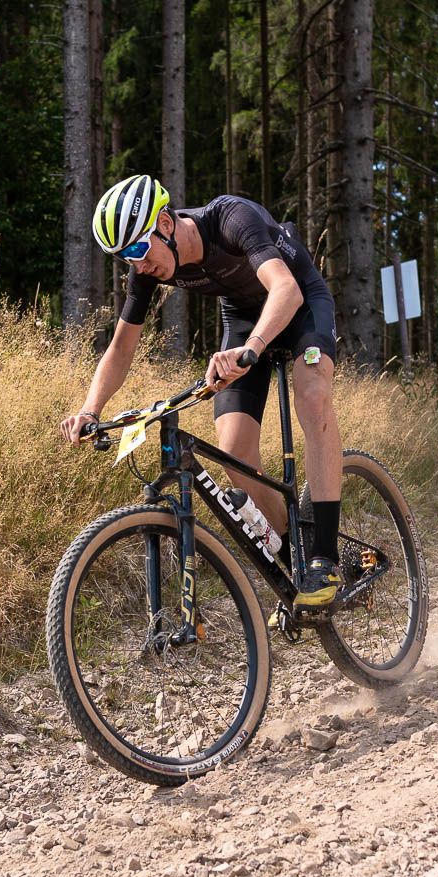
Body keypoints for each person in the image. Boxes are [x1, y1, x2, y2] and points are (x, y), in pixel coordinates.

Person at [59, 175, 346, 607]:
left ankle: (325, 557)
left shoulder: (230, 219)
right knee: (234, 449)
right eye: (125, 258)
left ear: (165, 224)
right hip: (245, 319)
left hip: (301, 302)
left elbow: (285, 290)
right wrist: (90, 409)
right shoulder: (147, 268)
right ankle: (297, 559)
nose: (138, 265)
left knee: (312, 395)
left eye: (138, 250)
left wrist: (251, 349)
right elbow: (120, 348)